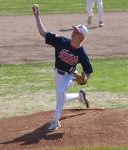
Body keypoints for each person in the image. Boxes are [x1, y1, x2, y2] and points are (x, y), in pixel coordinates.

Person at [32, 4, 93, 132]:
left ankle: (55, 121)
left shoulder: (82, 54)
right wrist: (37, 16)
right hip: (58, 75)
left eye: (76, 32)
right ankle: (80, 96)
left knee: (60, 93)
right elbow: (43, 33)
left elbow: (88, 71)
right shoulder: (61, 41)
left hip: (69, 75)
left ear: (80, 37)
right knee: (61, 96)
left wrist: (85, 78)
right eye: (74, 30)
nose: (73, 32)